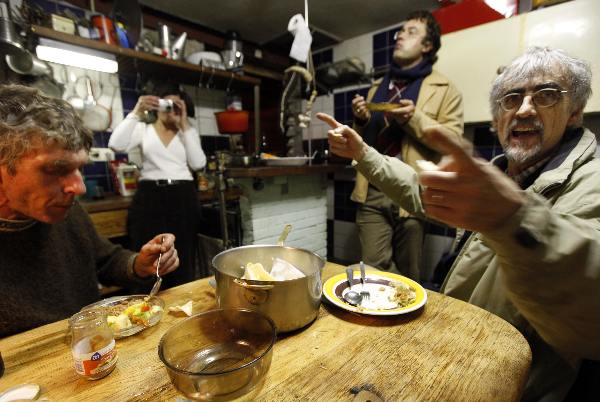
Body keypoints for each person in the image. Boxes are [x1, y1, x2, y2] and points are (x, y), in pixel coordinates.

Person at [319, 46, 600, 400]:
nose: (524, 109)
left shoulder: (593, 182)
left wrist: (513, 218)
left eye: (545, 95)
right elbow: (421, 190)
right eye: (511, 99)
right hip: (457, 356)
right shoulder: (501, 170)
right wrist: (362, 152)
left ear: (574, 111)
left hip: (509, 388)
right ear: (497, 118)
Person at [0, 84, 179, 338]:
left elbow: (105, 260)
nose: (79, 187)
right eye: (56, 169)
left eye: (79, 168)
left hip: (94, 350)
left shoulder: (66, 210)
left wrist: (139, 265)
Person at [350, 10, 463, 281]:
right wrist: (360, 121)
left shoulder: (445, 88)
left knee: (409, 275)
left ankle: (407, 320)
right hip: (372, 190)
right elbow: (365, 141)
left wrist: (415, 118)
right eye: (400, 31)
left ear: (427, 46)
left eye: (412, 31)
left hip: (413, 191)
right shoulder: (377, 87)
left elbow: (454, 143)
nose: (400, 35)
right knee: (373, 270)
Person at [109, 86, 206, 289]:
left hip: (183, 195)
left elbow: (198, 163)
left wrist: (184, 123)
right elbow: (116, 144)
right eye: (167, 104)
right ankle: (147, 305)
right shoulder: (144, 129)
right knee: (148, 252)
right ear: (157, 105)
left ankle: (182, 303)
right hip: (149, 195)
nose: (171, 109)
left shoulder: (187, 132)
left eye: (176, 106)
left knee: (183, 254)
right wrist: (136, 112)